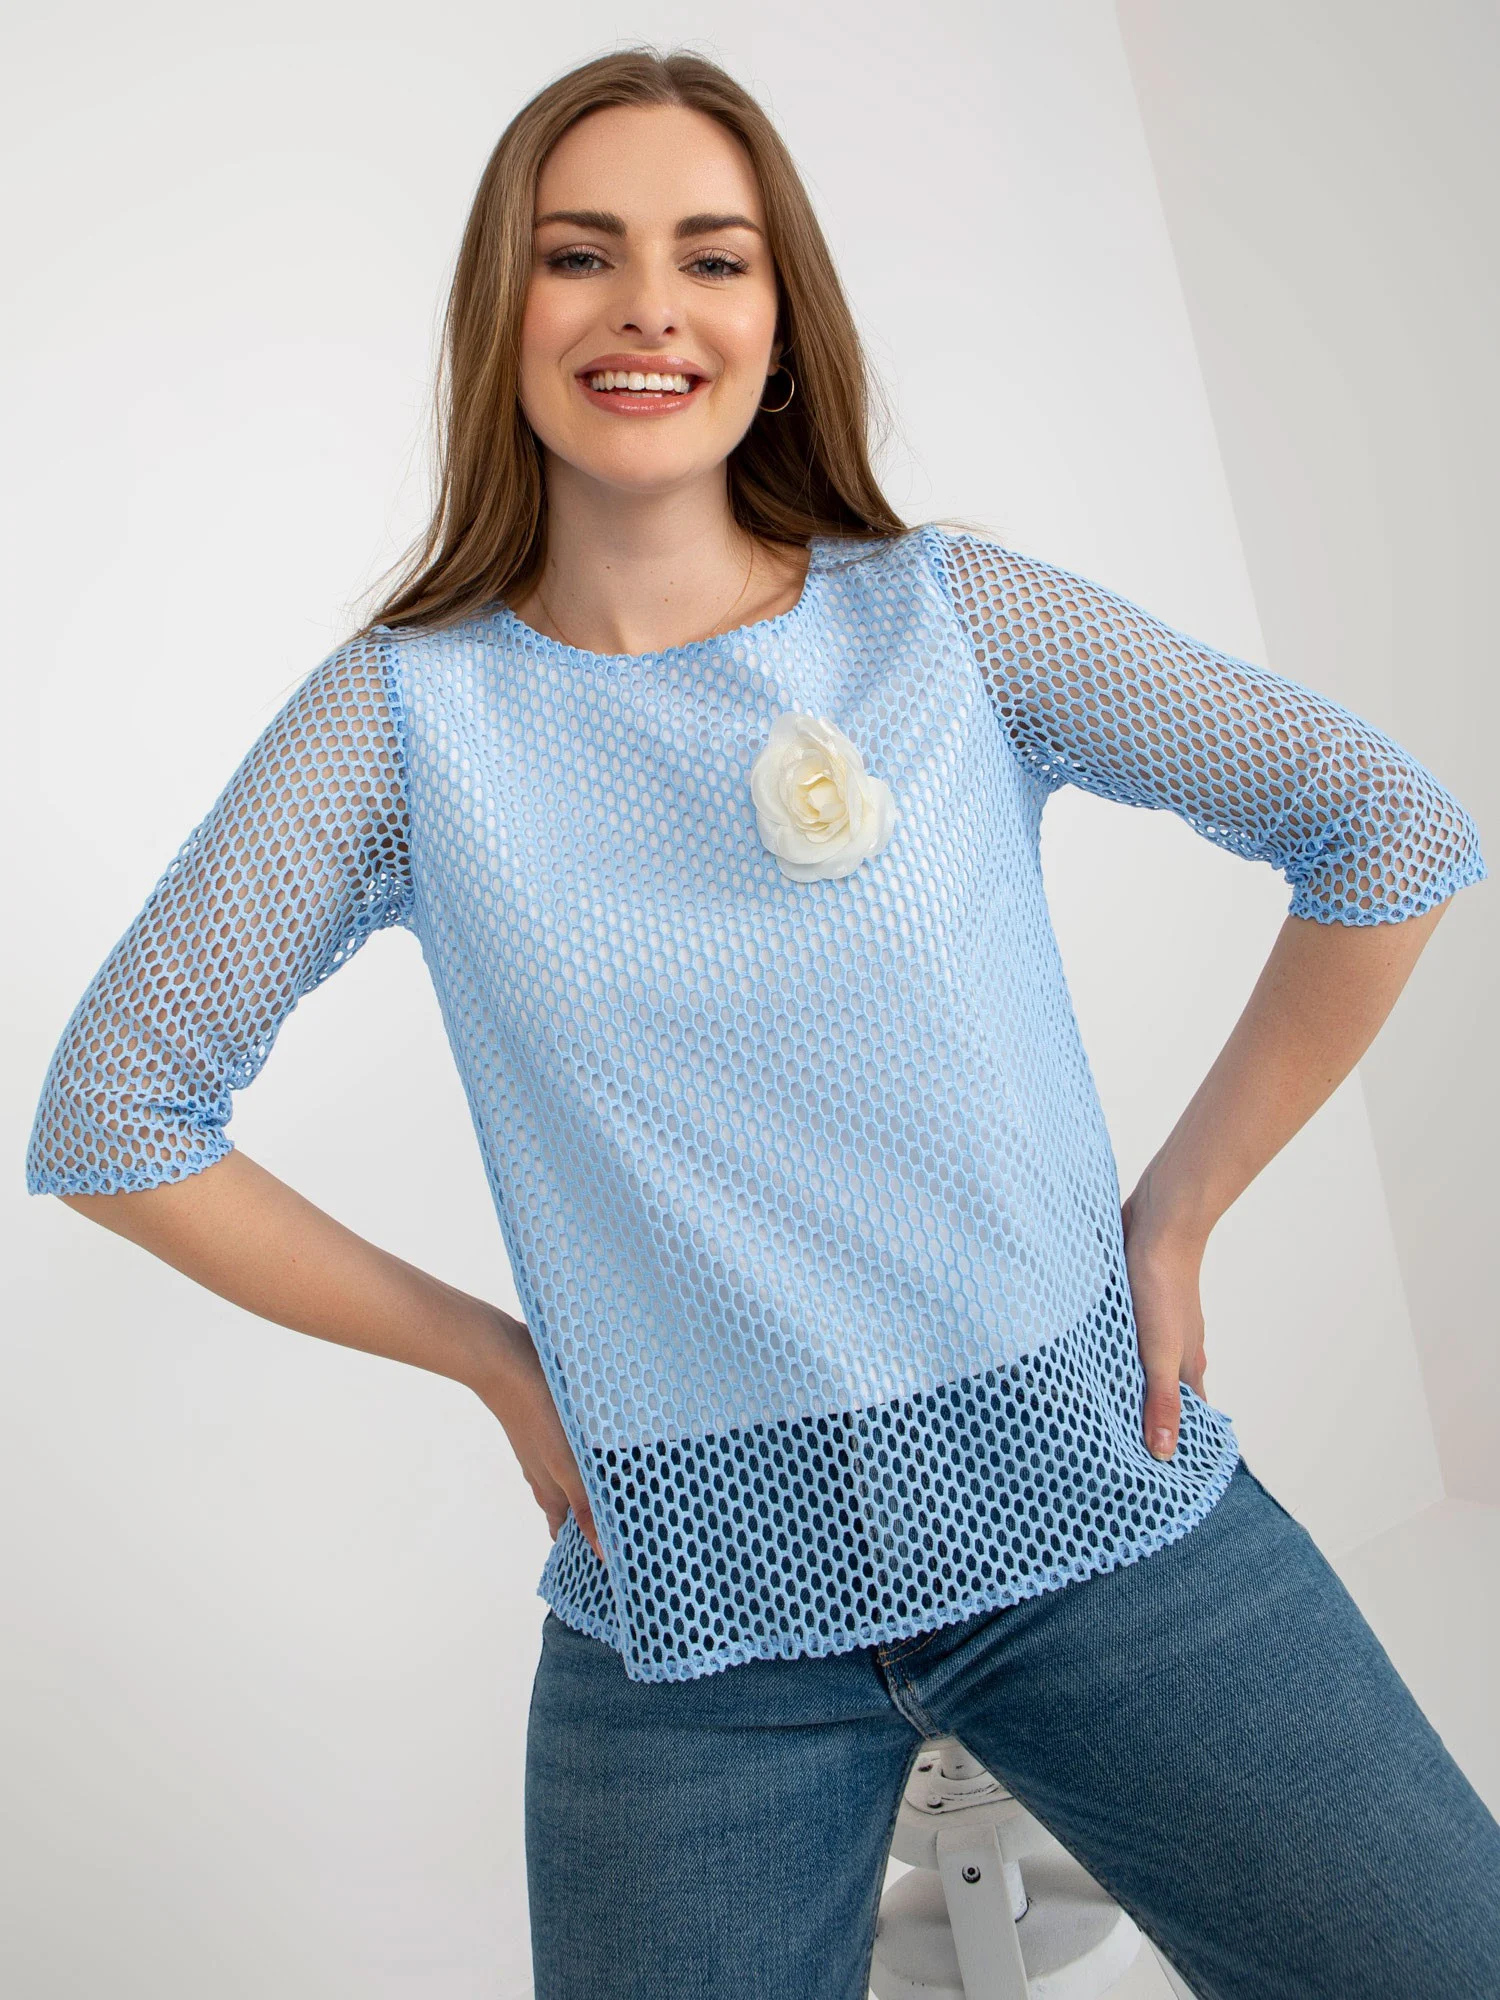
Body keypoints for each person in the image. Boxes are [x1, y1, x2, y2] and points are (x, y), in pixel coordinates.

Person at [24, 43, 1499, 2000]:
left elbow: (1389, 830)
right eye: (580, 255)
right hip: (688, 1613)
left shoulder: (948, 617)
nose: (648, 305)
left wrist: (1178, 1212)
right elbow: (115, 1115)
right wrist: (500, 1362)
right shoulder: (401, 722)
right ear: (501, 312)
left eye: (711, 259)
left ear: (778, 321)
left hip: (1089, 1500)